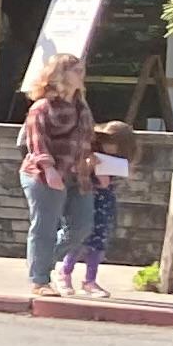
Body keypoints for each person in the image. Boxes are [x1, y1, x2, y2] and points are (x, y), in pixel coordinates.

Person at [20, 51, 100, 292]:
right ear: (59, 74)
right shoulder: (43, 107)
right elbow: (37, 142)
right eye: (75, 70)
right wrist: (49, 169)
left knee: (82, 226)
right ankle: (39, 280)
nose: (81, 75)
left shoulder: (81, 106)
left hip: (78, 174)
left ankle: (41, 261)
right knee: (44, 226)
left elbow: (86, 139)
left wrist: (92, 159)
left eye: (81, 70)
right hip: (44, 174)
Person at [71, 120, 136, 297]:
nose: (108, 147)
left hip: (104, 201)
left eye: (113, 144)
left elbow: (120, 177)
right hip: (87, 199)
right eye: (106, 143)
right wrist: (91, 165)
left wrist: (106, 171)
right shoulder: (91, 155)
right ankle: (65, 274)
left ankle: (89, 280)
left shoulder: (119, 161)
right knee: (77, 237)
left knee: (98, 241)